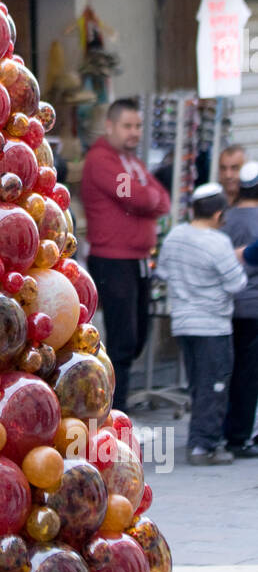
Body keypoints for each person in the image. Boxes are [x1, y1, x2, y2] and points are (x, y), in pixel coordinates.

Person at [81, 98, 171, 410]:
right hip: (113, 260)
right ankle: (115, 408)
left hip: (138, 260)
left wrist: (150, 198)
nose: (134, 132)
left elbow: (162, 198)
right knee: (123, 339)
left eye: (138, 126)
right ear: (111, 126)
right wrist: (149, 198)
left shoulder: (131, 162)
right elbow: (133, 197)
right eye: (127, 126)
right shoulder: (102, 159)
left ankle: (117, 402)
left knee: (137, 335)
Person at [156, 183, 247, 465]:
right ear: (219, 214)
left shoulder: (175, 236)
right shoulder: (218, 243)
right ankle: (203, 447)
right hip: (212, 326)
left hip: (183, 324)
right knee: (215, 385)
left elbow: (162, 272)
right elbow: (238, 283)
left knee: (198, 384)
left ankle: (199, 439)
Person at [222, 161, 258, 456]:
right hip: (255, 309)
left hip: (228, 309)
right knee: (249, 376)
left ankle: (224, 431)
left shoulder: (225, 218)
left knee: (230, 372)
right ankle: (240, 437)